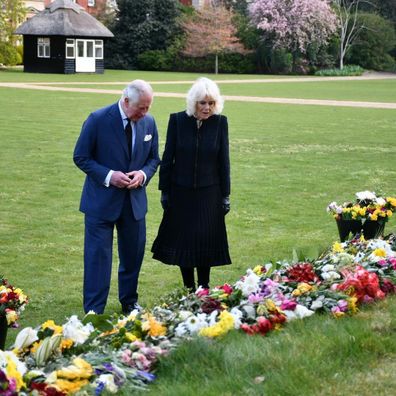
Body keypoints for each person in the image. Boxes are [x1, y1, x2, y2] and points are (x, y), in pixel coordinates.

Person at [73, 80, 160, 314]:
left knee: (133, 256)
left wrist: (142, 174)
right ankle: (94, 310)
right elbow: (81, 156)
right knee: (97, 259)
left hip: (134, 204)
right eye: (141, 107)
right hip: (100, 203)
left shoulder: (149, 122)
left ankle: (129, 302)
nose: (145, 112)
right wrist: (109, 176)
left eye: (148, 107)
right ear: (126, 100)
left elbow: (154, 159)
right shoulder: (98, 119)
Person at [151, 77, 231, 291]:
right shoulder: (177, 121)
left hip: (209, 193)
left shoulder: (220, 123)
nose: (207, 108)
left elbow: (224, 162)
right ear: (194, 102)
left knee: (205, 240)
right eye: (202, 103)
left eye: (211, 103)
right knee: (184, 240)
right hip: (181, 191)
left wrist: (226, 195)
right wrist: (164, 191)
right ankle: (188, 287)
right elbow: (168, 157)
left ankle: (203, 287)